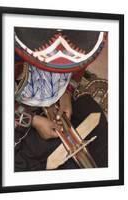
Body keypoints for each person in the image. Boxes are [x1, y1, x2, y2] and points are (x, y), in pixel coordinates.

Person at [14, 28, 108, 171]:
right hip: (18, 108)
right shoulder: (5, 52)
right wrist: (33, 120)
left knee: (100, 128)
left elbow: (78, 70)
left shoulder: (82, 41)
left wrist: (66, 94)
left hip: (59, 98)